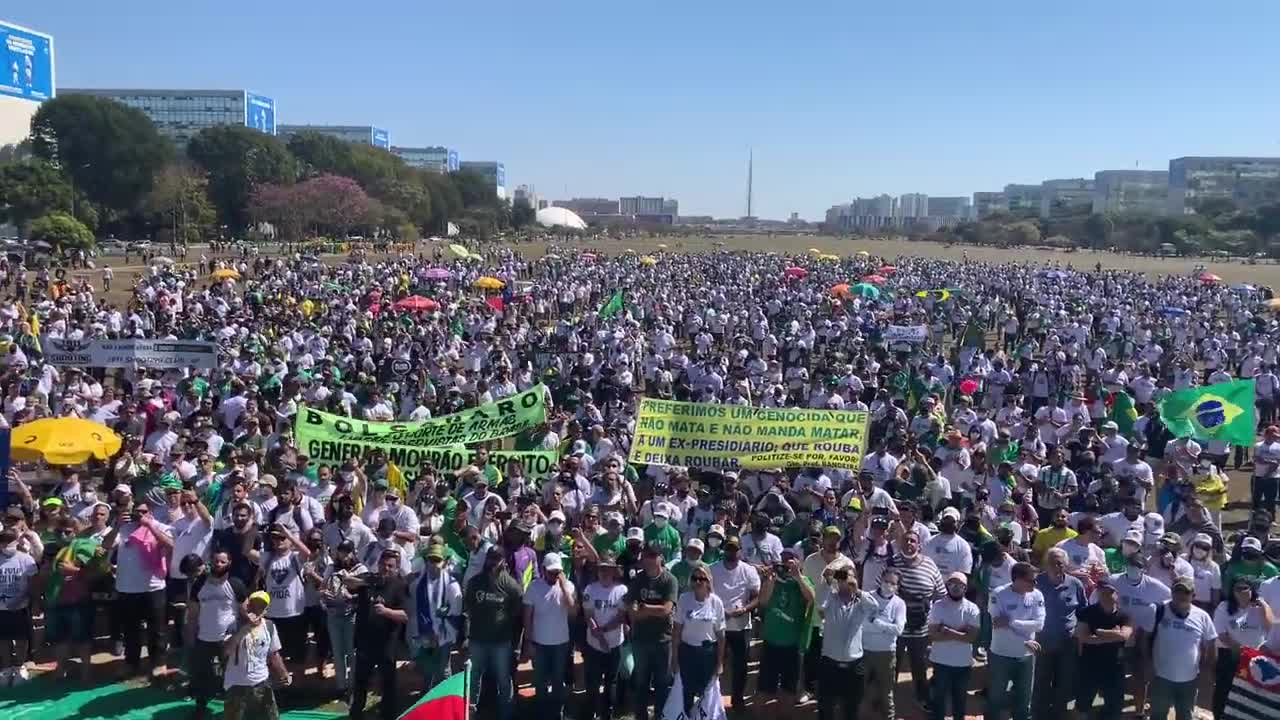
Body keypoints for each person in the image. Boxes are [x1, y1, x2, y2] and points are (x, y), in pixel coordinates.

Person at [345, 549, 409, 720]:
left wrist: (386, 611)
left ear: (397, 568)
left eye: (390, 566)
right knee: (360, 683)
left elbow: (405, 616)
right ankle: (356, 714)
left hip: (386, 644)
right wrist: (366, 583)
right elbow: (348, 582)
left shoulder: (400, 585)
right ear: (378, 564)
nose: (386, 569)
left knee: (388, 684)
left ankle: (388, 715)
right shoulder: (368, 578)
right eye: (383, 564)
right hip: (365, 642)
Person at [464, 546, 524, 720]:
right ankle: (470, 713)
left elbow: (517, 615)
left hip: (501, 641)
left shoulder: (511, 585)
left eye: (497, 559)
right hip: (477, 639)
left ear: (503, 561)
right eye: (491, 558)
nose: (493, 562)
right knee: (473, 677)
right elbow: (468, 610)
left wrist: (516, 644)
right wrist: (466, 635)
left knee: (504, 679)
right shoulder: (475, 582)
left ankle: (506, 715)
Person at [188, 549, 250, 718]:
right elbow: (192, 614)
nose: (218, 564)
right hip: (203, 638)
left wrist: (242, 636)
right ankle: (200, 707)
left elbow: (245, 613)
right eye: (216, 561)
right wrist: (191, 637)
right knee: (202, 676)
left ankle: (234, 710)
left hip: (228, 639)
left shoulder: (236, 584)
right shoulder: (199, 584)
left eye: (223, 562)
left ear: (229, 564)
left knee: (233, 676)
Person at [1146, 577, 1218, 720]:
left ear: (1193, 595)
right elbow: (1144, 638)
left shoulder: (1202, 616)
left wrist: (1207, 671)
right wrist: (1147, 664)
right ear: (1171, 592)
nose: (1181, 595)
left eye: (1186, 592)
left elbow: (1211, 643)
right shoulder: (1157, 610)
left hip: (1189, 679)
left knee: (1185, 715)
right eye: (1177, 591)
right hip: (1161, 676)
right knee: (1157, 715)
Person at [890, 529, 945, 709]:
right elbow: (881, 588)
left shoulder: (930, 564)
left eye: (913, 541)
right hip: (896, 627)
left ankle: (922, 698)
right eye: (906, 540)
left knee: (919, 666)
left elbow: (941, 593)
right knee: (892, 664)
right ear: (900, 543)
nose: (909, 544)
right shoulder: (892, 563)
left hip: (921, 628)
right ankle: (886, 699)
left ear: (919, 545)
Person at [756, 547, 816, 712]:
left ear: (798, 562)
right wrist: (770, 580)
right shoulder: (774, 580)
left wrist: (797, 577)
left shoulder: (804, 581)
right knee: (764, 689)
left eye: (790, 560)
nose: (786, 563)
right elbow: (763, 601)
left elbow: (811, 599)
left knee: (789, 690)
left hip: (792, 645)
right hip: (771, 642)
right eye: (783, 560)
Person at [815, 565, 878, 720]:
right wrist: (830, 582)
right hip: (830, 664)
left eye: (850, 576)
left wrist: (857, 590)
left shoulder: (861, 601)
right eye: (843, 577)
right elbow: (820, 607)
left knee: (851, 708)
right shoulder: (831, 598)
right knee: (825, 707)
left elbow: (874, 608)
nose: (847, 580)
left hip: (854, 666)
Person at [987, 561, 1046, 720]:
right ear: (1017, 579)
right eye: (1031, 580)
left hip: (1026, 656)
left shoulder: (1037, 595)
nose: (1035, 583)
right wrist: (1024, 640)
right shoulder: (998, 594)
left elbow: (1039, 625)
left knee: (1024, 698)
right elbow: (998, 624)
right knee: (996, 698)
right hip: (1001, 654)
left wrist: (1012, 622)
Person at [1033, 547, 1086, 720]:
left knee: (1064, 681)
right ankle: (1039, 714)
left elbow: (1082, 612)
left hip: (1067, 642)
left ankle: (1058, 714)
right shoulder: (1036, 583)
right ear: (1046, 564)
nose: (1057, 566)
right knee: (1041, 680)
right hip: (1042, 641)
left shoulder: (1075, 584)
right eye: (1053, 562)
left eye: (1061, 563)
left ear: (1066, 565)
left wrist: (1080, 637)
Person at [523, 552, 577, 720]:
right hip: (539, 642)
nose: (555, 575)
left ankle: (557, 713)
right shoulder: (533, 587)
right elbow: (527, 617)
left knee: (558, 679)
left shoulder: (568, 586)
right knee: (539, 681)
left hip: (560, 643)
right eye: (552, 572)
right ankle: (541, 712)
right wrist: (528, 641)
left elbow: (573, 611)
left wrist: (563, 587)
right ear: (544, 570)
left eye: (557, 572)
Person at [626, 542, 678, 720]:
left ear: (661, 558)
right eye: (646, 556)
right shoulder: (638, 580)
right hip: (640, 639)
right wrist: (650, 610)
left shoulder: (670, 580)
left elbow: (667, 610)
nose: (648, 560)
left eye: (653, 556)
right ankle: (641, 716)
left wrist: (644, 608)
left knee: (662, 683)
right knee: (641, 682)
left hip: (663, 640)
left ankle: (660, 716)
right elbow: (632, 612)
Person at [1211, 577, 1274, 720]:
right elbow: (1222, 635)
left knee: (1248, 693)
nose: (1241, 591)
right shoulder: (1224, 607)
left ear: (1252, 590)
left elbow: (1270, 626)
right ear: (1232, 591)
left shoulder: (1259, 609)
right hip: (1230, 655)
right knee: (1224, 690)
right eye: (1237, 588)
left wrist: (1263, 604)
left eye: (1245, 588)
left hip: (1254, 658)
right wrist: (1241, 650)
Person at [709, 534, 760, 710]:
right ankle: (711, 699)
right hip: (717, 625)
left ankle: (737, 699)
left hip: (741, 625)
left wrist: (745, 609)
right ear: (724, 549)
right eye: (728, 548)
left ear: (740, 551)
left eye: (734, 548)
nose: (731, 551)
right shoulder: (712, 569)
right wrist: (720, 611)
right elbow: (706, 595)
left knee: (740, 665)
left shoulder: (749, 570)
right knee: (715, 663)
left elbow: (756, 597)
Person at [670, 563, 726, 717]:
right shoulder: (684, 599)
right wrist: (674, 659)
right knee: (686, 692)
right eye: (695, 578)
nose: (699, 582)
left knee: (706, 695)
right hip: (687, 652)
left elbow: (721, 637)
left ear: (708, 580)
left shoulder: (716, 602)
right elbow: (676, 631)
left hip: (708, 653)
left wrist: (720, 663)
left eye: (702, 578)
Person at [1074, 577, 1132, 720]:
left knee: (1114, 706)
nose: (1105, 595)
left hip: (1114, 667)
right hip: (1089, 665)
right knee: (1083, 704)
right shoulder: (1086, 612)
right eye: (1102, 592)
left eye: (1109, 592)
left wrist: (1099, 632)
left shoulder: (1124, 615)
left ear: (1116, 594)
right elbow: (1083, 637)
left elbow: (1125, 636)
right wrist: (1114, 634)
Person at [407, 543, 463, 691]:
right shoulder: (417, 585)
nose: (433, 564)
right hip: (424, 635)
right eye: (430, 560)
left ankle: (446, 700)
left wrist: (439, 635)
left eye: (437, 560)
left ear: (444, 562)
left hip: (443, 636)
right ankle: (427, 701)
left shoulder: (452, 585)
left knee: (443, 670)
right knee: (426, 670)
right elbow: (413, 612)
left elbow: (456, 614)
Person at [927, 571, 981, 720]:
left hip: (963, 663)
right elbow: (933, 635)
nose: (956, 587)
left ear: (966, 588)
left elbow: (972, 638)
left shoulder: (972, 608)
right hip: (941, 661)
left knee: (960, 701)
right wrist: (961, 633)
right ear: (947, 585)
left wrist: (946, 631)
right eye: (953, 583)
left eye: (961, 585)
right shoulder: (938, 606)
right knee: (939, 700)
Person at [582, 552, 628, 720]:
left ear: (614, 571)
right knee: (593, 681)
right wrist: (599, 636)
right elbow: (588, 615)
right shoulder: (590, 589)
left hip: (615, 643)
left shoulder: (622, 590)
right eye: (602, 569)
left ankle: (607, 712)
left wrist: (604, 631)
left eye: (608, 569)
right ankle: (590, 711)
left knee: (611, 681)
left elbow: (621, 616)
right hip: (594, 643)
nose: (605, 572)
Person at [319, 539, 365, 699]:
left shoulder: (360, 569)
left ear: (353, 552)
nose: (344, 555)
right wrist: (324, 593)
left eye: (347, 552)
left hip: (351, 615)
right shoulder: (332, 568)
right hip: (333, 613)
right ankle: (341, 686)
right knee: (337, 652)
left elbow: (365, 594)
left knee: (352, 651)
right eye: (341, 551)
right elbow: (322, 587)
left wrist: (351, 596)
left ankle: (353, 686)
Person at [862, 566, 907, 719]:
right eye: (886, 581)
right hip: (864, 651)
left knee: (886, 692)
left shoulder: (899, 604)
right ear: (880, 580)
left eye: (893, 583)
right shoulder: (868, 597)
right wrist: (884, 626)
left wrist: (876, 622)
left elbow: (898, 629)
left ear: (898, 586)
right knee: (861, 688)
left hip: (886, 654)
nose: (889, 585)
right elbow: (863, 625)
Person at [0, 528, 37, 683]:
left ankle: (19, 666)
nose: (7, 545)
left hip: (21, 607)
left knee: (21, 639)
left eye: (10, 541)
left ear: (17, 542)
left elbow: (33, 583)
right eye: (3, 542)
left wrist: (24, 598)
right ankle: (7, 668)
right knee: (3, 639)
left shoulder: (26, 559)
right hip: (1, 608)